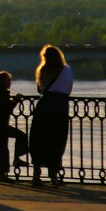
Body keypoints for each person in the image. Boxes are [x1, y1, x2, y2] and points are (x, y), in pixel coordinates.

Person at [29, 45, 73, 187]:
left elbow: (39, 89)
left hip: (44, 105)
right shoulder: (66, 70)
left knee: (39, 139)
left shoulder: (42, 70)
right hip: (60, 106)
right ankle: (53, 177)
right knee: (57, 140)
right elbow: (68, 90)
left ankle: (36, 175)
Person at [0, 71, 29, 180]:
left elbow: (6, 107)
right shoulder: (1, 94)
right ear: (1, 82)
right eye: (7, 80)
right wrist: (16, 99)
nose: (9, 82)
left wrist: (14, 100)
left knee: (2, 148)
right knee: (21, 136)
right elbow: (8, 108)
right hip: (1, 125)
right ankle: (16, 159)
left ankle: (3, 174)